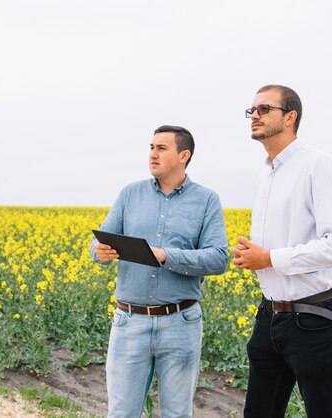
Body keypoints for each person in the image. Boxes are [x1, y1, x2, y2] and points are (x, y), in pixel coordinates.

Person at [232, 85, 332, 418]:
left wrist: (271, 258)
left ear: (290, 117)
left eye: (264, 109)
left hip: (316, 320)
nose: (254, 116)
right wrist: (252, 255)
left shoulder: (317, 164)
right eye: (252, 111)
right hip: (270, 316)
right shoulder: (266, 174)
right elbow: (279, 243)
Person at [90, 125, 228, 418]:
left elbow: (218, 258)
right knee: (121, 414)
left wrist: (167, 256)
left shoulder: (207, 200)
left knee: (177, 414)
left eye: (161, 148)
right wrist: (99, 251)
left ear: (184, 155)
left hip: (181, 322)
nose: (152, 154)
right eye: (151, 147)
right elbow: (99, 242)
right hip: (129, 321)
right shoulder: (130, 194)